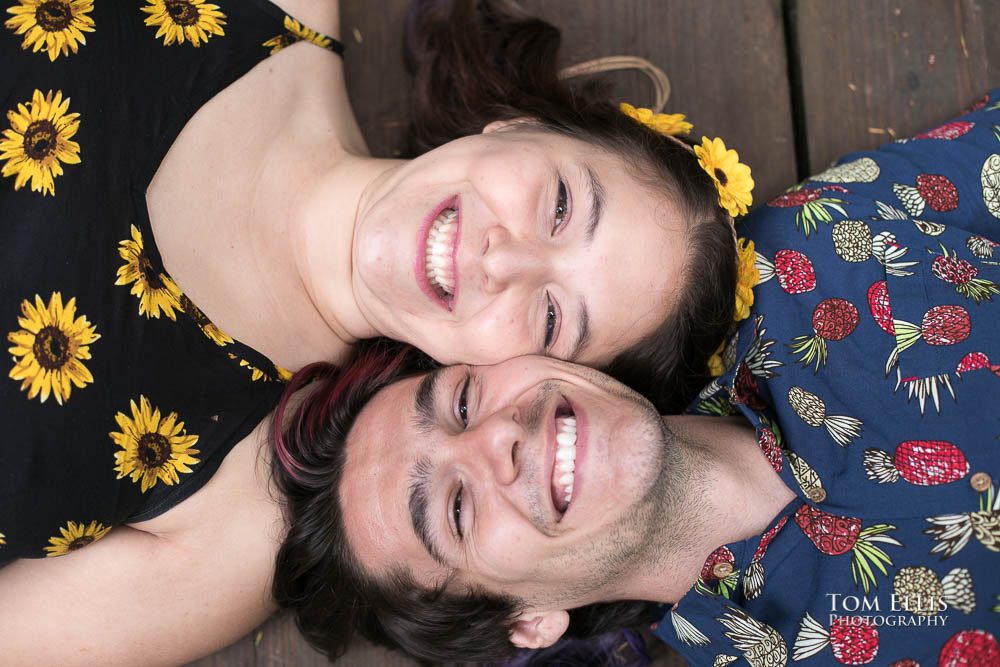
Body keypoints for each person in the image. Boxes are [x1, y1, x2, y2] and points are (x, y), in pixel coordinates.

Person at [0, 1, 739, 572]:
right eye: (561, 205)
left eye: (550, 318)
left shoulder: (235, 517)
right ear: (516, 126)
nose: (503, 261)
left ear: (523, 376)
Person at [267, 92, 1000, 664]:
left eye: (462, 400)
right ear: (528, 620)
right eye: (456, 509)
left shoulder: (812, 251)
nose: (496, 439)